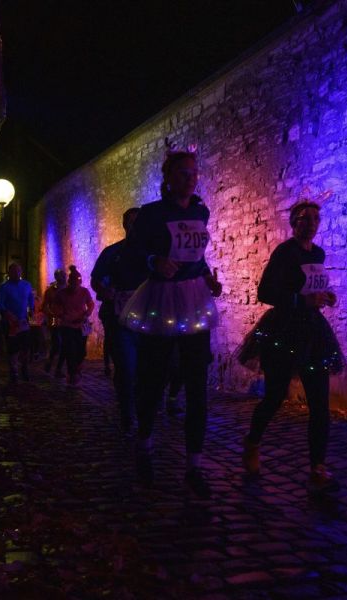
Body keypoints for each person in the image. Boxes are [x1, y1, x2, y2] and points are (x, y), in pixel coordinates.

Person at [121, 149, 222, 498]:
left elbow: (197, 255)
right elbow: (132, 252)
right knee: (154, 378)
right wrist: (154, 261)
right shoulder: (152, 213)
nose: (190, 179)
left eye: (194, 173)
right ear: (168, 177)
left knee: (197, 383)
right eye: (183, 173)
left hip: (194, 299)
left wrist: (207, 277)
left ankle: (194, 465)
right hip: (162, 299)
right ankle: (145, 445)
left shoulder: (200, 211)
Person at [236, 200, 345, 494]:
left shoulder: (318, 253)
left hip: (313, 334)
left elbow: (310, 285)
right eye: (304, 218)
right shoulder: (284, 252)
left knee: (319, 403)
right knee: (274, 397)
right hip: (284, 331)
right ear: (294, 222)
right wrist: (300, 300)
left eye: (315, 219)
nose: (311, 224)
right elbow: (266, 292)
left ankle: (317, 468)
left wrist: (325, 295)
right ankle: (252, 442)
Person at [91, 207, 145, 433]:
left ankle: (143, 408)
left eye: (139, 222)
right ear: (125, 225)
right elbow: (96, 280)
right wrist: (106, 292)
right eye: (131, 222)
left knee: (147, 368)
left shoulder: (152, 253)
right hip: (119, 318)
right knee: (126, 366)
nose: (135, 226)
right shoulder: (112, 253)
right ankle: (127, 413)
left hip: (149, 319)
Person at [0, 262, 35, 383]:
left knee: (25, 347)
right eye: (13, 271)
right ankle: (14, 371)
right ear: (9, 272)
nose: (16, 273)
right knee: (13, 349)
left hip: (23, 322)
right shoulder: (4, 287)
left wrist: (32, 309)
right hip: (11, 323)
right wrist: (8, 315)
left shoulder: (27, 285)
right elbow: (0, 304)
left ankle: (24, 368)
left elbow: (31, 298)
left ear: (21, 272)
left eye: (18, 270)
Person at [58, 265, 95, 387]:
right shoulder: (62, 293)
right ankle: (72, 374)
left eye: (77, 282)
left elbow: (90, 304)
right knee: (70, 350)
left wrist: (87, 313)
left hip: (81, 325)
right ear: (69, 282)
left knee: (81, 351)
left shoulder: (84, 292)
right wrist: (61, 315)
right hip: (67, 326)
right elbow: (56, 307)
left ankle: (76, 370)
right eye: (73, 282)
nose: (75, 285)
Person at [42, 269, 67, 377]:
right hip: (54, 320)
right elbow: (44, 306)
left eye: (64, 275)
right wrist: (50, 313)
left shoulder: (68, 289)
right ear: (56, 277)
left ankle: (58, 368)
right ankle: (51, 362)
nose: (63, 277)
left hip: (67, 320)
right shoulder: (51, 291)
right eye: (60, 275)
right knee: (57, 344)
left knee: (65, 345)